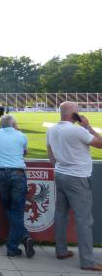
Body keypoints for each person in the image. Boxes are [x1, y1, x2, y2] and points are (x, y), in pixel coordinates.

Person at [46, 102, 102, 271]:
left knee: (61, 214)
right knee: (83, 219)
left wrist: (58, 165)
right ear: (74, 115)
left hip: (60, 174)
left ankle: (61, 250)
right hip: (77, 177)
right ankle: (87, 261)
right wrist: (88, 127)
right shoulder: (78, 130)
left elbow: (49, 150)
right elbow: (100, 144)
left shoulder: (52, 129)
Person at [0, 114, 35, 258]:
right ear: (14, 124)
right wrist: (17, 129)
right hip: (17, 173)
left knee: (8, 207)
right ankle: (13, 246)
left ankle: (24, 237)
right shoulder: (21, 135)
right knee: (17, 211)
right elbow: (25, 151)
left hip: (1, 174)